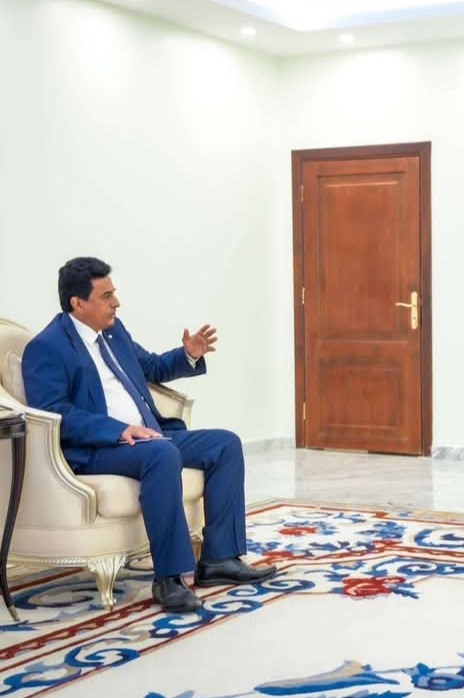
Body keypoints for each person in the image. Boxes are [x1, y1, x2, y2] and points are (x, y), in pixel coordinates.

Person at [22, 257, 277, 613]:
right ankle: (169, 579)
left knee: (225, 444)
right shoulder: (47, 347)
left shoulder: (114, 332)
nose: (116, 302)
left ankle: (219, 560)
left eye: (114, 293)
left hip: (150, 437)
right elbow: (55, 412)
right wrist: (118, 430)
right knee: (163, 455)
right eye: (106, 296)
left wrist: (188, 355)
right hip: (100, 448)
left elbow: (152, 366)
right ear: (77, 303)